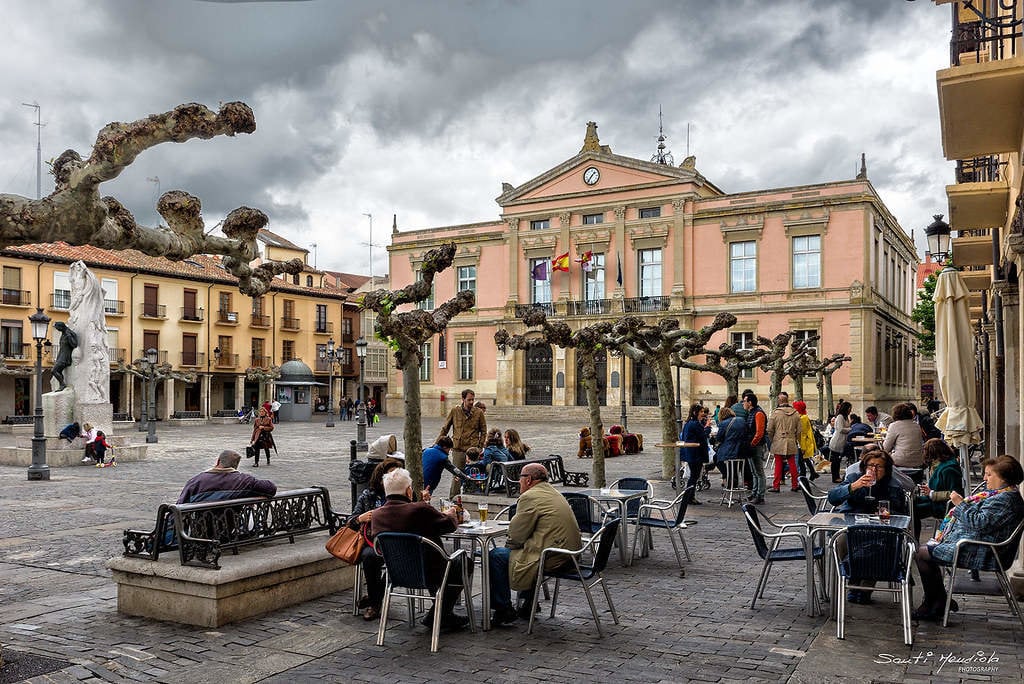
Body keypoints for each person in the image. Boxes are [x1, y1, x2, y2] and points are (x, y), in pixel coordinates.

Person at [913, 455, 1024, 621]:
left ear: (1004, 478)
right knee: (925, 551)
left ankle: (933, 603)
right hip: (978, 543)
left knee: (922, 553)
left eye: (989, 474)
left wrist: (960, 504)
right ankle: (939, 601)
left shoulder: (1005, 500)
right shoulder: (1001, 494)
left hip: (985, 551)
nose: (985, 478)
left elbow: (979, 523)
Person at [368, 467, 470, 630]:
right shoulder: (419, 509)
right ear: (409, 491)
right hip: (430, 571)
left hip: (396, 572)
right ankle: (441, 613)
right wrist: (451, 513)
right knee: (463, 562)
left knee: (431, 557)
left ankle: (439, 612)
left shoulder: (377, 515)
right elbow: (449, 526)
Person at [488, 463, 582, 625]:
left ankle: (503, 609)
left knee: (497, 556)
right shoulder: (553, 492)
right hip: (570, 555)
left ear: (529, 480)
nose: (519, 481)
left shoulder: (529, 497)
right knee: (526, 550)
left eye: (520, 478)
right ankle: (529, 603)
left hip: (551, 557)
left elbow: (516, 536)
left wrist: (512, 546)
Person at [828, 449, 911, 604]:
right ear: (864, 466)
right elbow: (832, 498)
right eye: (870, 465)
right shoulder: (854, 478)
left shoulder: (893, 486)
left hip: (880, 531)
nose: (873, 470)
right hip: (852, 528)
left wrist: (886, 513)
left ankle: (865, 587)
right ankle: (853, 582)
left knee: (879, 546)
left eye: (879, 467)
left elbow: (901, 514)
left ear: (886, 470)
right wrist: (853, 487)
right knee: (840, 540)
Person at [348, 457, 405, 621]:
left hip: (399, 542)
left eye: (397, 475)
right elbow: (351, 522)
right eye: (390, 475)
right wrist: (361, 518)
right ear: (381, 477)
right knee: (369, 556)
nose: (394, 479)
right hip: (373, 542)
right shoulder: (368, 495)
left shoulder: (406, 494)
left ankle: (375, 598)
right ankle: (375, 604)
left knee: (403, 558)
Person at [437, 389, 487, 497]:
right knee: (457, 475)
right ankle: (453, 499)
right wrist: (437, 444)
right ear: (463, 399)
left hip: (472, 450)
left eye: (473, 400)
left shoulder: (478, 413)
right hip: (458, 449)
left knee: (474, 474)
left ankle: (472, 497)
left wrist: (479, 446)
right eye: (469, 400)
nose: (471, 402)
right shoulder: (455, 411)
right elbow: (445, 428)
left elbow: (484, 431)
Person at [177, 449, 277, 503]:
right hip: (230, 530)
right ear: (236, 466)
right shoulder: (245, 481)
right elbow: (270, 488)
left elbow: (179, 507)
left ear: (218, 461)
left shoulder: (195, 482)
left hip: (199, 532)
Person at [913, 438, 965, 539]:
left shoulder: (949, 469)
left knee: (913, 510)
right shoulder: (942, 465)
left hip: (943, 506)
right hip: (935, 500)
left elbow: (955, 493)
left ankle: (915, 539)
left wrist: (932, 493)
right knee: (911, 503)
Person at [767, 391, 801, 493]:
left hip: (778, 440)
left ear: (779, 401)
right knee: (792, 464)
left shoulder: (775, 413)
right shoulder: (795, 413)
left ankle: (776, 485)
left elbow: (769, 429)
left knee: (778, 464)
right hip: (791, 440)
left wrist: (773, 439)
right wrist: (795, 438)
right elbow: (799, 430)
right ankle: (795, 484)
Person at [679, 403, 709, 504]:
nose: (703, 414)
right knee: (694, 476)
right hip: (695, 454)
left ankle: (690, 496)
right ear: (695, 412)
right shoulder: (695, 424)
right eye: (701, 412)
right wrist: (707, 428)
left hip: (690, 453)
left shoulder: (688, 423)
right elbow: (703, 436)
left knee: (694, 476)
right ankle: (689, 497)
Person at [742, 393, 768, 504]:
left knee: (759, 472)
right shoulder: (752, 413)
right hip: (752, 445)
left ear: (750, 403)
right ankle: (754, 492)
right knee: (754, 471)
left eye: (744, 401)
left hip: (756, 446)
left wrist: (752, 444)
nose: (743, 403)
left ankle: (760, 495)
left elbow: (759, 432)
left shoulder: (758, 414)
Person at [882, 402, 924, 470]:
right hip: (918, 461)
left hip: (900, 461)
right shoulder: (916, 425)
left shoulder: (894, 425)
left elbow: (886, 448)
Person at [713, 406, 748, 481]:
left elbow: (719, 438)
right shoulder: (742, 420)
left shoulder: (723, 424)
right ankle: (733, 478)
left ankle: (728, 477)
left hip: (730, 450)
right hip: (743, 450)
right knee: (736, 463)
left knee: (716, 458)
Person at [792, 400, 819, 481]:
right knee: (804, 459)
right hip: (802, 443)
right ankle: (813, 473)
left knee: (801, 462)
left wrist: (803, 447)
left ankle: (803, 479)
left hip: (802, 444)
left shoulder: (802, 418)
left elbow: (802, 434)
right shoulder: (803, 417)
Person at [828, 400, 853, 483]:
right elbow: (840, 429)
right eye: (849, 408)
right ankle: (835, 477)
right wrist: (850, 429)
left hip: (842, 441)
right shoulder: (840, 417)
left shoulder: (846, 417)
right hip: (837, 441)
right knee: (835, 461)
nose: (850, 410)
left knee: (838, 461)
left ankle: (837, 476)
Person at [51, 321, 78, 391]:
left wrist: (69, 337)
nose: (57, 330)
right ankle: (61, 385)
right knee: (58, 371)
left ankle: (62, 384)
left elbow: (75, 344)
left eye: (57, 328)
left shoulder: (69, 334)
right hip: (61, 355)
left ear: (61, 327)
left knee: (54, 371)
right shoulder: (63, 334)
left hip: (65, 357)